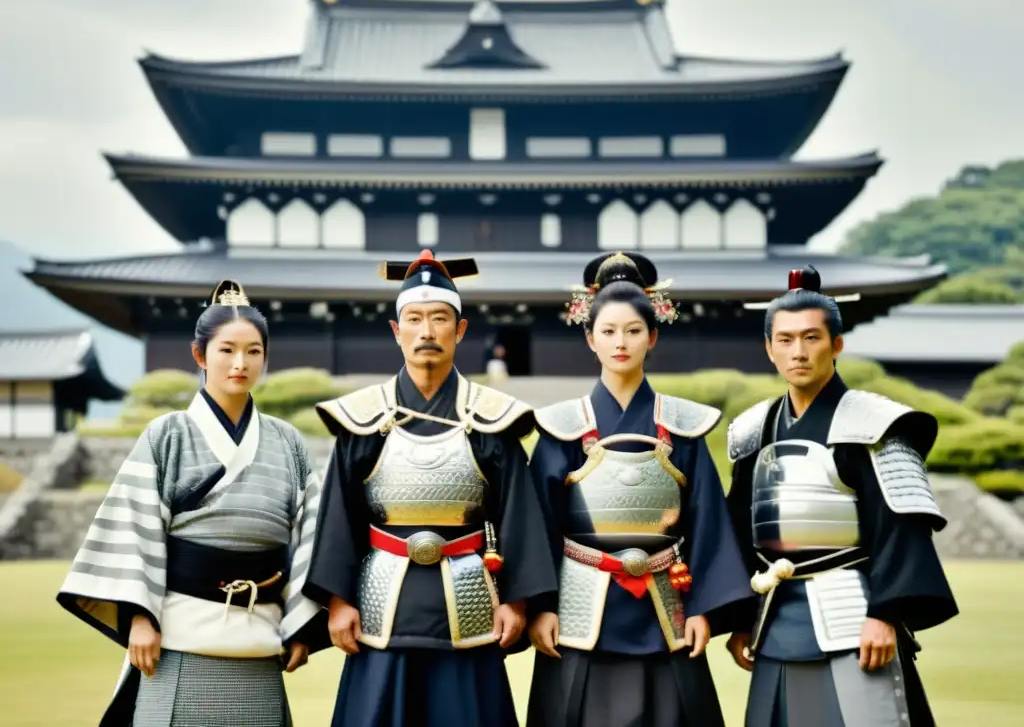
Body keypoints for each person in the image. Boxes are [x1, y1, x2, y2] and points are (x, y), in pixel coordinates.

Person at [303, 249, 558, 727]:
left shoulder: (491, 420)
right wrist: (338, 603)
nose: (427, 331)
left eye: (440, 319)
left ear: (459, 330)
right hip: (381, 608)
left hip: (470, 604)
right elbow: (339, 519)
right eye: (414, 319)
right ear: (396, 331)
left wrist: (517, 601)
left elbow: (518, 518)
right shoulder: (362, 420)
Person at [57, 280, 329, 727]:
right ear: (200, 355)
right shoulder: (168, 434)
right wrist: (138, 619)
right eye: (226, 350)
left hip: (260, 643)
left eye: (253, 351)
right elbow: (134, 525)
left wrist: (302, 624)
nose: (240, 363)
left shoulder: (287, 442)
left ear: (265, 356)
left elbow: (310, 535)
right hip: (177, 641)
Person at [525, 251, 755, 727]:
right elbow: (536, 527)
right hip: (578, 604)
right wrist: (540, 608)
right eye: (608, 331)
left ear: (652, 336)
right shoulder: (563, 427)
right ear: (590, 338)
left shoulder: (684, 427)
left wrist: (704, 609)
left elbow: (708, 523)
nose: (620, 342)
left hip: (667, 603)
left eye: (633, 331)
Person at [724, 265, 958, 727]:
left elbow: (901, 528)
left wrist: (886, 613)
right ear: (769, 349)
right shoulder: (754, 430)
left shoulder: (874, 424)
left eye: (812, 338)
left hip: (854, 612)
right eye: (785, 340)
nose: (798, 352)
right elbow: (738, 527)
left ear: (837, 344)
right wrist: (739, 616)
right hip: (774, 617)